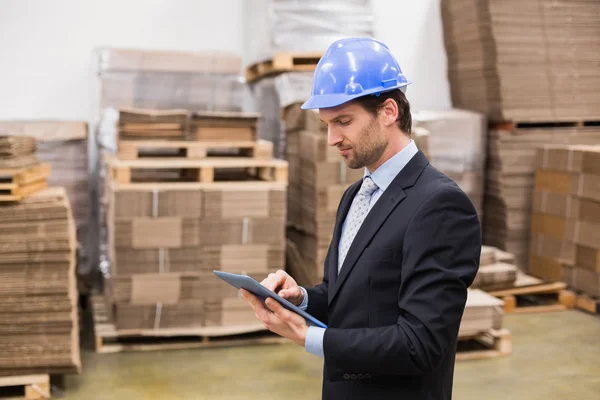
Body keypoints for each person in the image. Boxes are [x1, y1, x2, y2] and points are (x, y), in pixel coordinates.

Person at [240, 37, 481, 400]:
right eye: (326, 124)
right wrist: (301, 298)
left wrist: (308, 336)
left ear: (388, 112)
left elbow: (422, 343)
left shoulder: (440, 206)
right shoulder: (356, 195)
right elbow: (350, 297)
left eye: (343, 121)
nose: (331, 139)